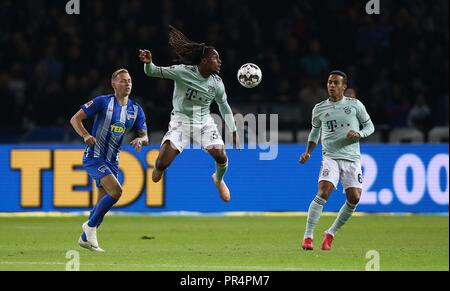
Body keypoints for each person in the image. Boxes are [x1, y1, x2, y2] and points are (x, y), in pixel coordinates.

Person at [138, 26, 239, 202]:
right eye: (216, 58)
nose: (219, 61)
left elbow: (224, 105)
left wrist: (233, 129)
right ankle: (159, 168)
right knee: (162, 163)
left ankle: (218, 178)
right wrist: (148, 64)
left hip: (204, 123)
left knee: (221, 156)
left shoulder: (217, 83)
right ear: (205, 60)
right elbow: (153, 72)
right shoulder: (182, 71)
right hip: (180, 123)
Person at [70, 69, 149, 252]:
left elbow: (145, 136)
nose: (127, 84)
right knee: (116, 191)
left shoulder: (135, 109)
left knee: (100, 207)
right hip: (94, 157)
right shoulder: (102, 102)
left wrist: (140, 140)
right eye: (122, 81)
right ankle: (88, 228)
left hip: (113, 161)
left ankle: (85, 239)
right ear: (114, 84)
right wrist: (85, 135)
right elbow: (75, 119)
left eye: (129, 80)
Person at [299, 70, 375, 251]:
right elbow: (315, 132)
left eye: (335, 83)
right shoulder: (319, 108)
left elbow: (370, 126)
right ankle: (308, 236)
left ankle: (330, 233)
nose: (331, 86)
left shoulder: (355, 105)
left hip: (351, 158)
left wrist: (359, 133)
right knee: (323, 192)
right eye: (329, 82)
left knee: (354, 198)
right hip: (330, 157)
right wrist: (308, 151)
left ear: (344, 87)